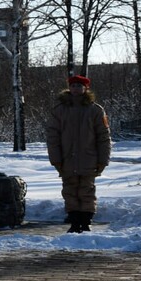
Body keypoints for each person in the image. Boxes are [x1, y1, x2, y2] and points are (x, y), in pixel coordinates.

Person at [45, 75, 112, 233]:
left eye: (79, 86)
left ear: (85, 88)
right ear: (69, 88)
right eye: (73, 86)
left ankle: (86, 221)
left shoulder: (96, 110)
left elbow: (104, 137)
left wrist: (103, 161)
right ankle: (74, 222)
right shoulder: (59, 110)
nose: (76, 89)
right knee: (70, 190)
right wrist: (56, 160)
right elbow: (52, 137)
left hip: (89, 159)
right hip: (66, 159)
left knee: (87, 190)